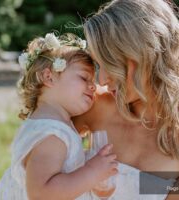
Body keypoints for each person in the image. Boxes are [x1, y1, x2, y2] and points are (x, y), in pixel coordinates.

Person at [73, 0, 179, 199]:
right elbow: (38, 162)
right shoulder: (95, 108)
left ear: (144, 56)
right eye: (98, 65)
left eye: (110, 64)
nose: (102, 80)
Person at [0, 33, 118, 200]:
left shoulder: (51, 126)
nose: (93, 86)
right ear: (49, 77)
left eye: (93, 80)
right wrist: (92, 172)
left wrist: (92, 179)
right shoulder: (52, 134)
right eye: (84, 78)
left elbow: (66, 166)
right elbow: (41, 193)